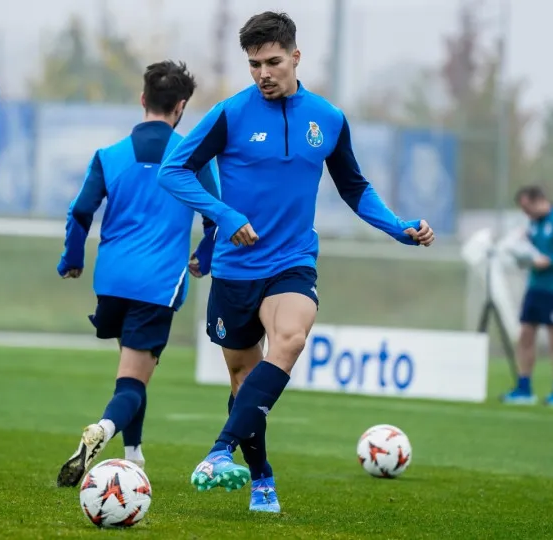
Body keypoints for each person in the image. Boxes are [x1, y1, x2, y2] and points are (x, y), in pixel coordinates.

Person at [157, 11, 435, 512]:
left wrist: (399, 227)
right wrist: (223, 214)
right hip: (236, 268)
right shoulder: (229, 114)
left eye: (273, 61)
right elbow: (174, 171)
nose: (263, 72)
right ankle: (261, 475)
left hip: (291, 262)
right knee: (244, 383)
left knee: (291, 337)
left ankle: (220, 450)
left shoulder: (327, 118)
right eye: (254, 64)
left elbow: (354, 187)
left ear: (295, 57)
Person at [54, 60, 219, 487]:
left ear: (143, 99)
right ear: (181, 106)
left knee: (131, 368)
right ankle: (103, 431)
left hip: (111, 283)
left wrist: (71, 258)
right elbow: (216, 216)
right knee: (131, 383)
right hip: (158, 283)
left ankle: (134, 454)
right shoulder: (193, 156)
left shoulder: (108, 156)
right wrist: (204, 253)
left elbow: (80, 211)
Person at [502, 185, 553, 408]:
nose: (525, 213)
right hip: (534, 287)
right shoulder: (532, 225)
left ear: (540, 201)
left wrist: (550, 261)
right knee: (526, 334)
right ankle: (524, 387)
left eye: (527, 207)